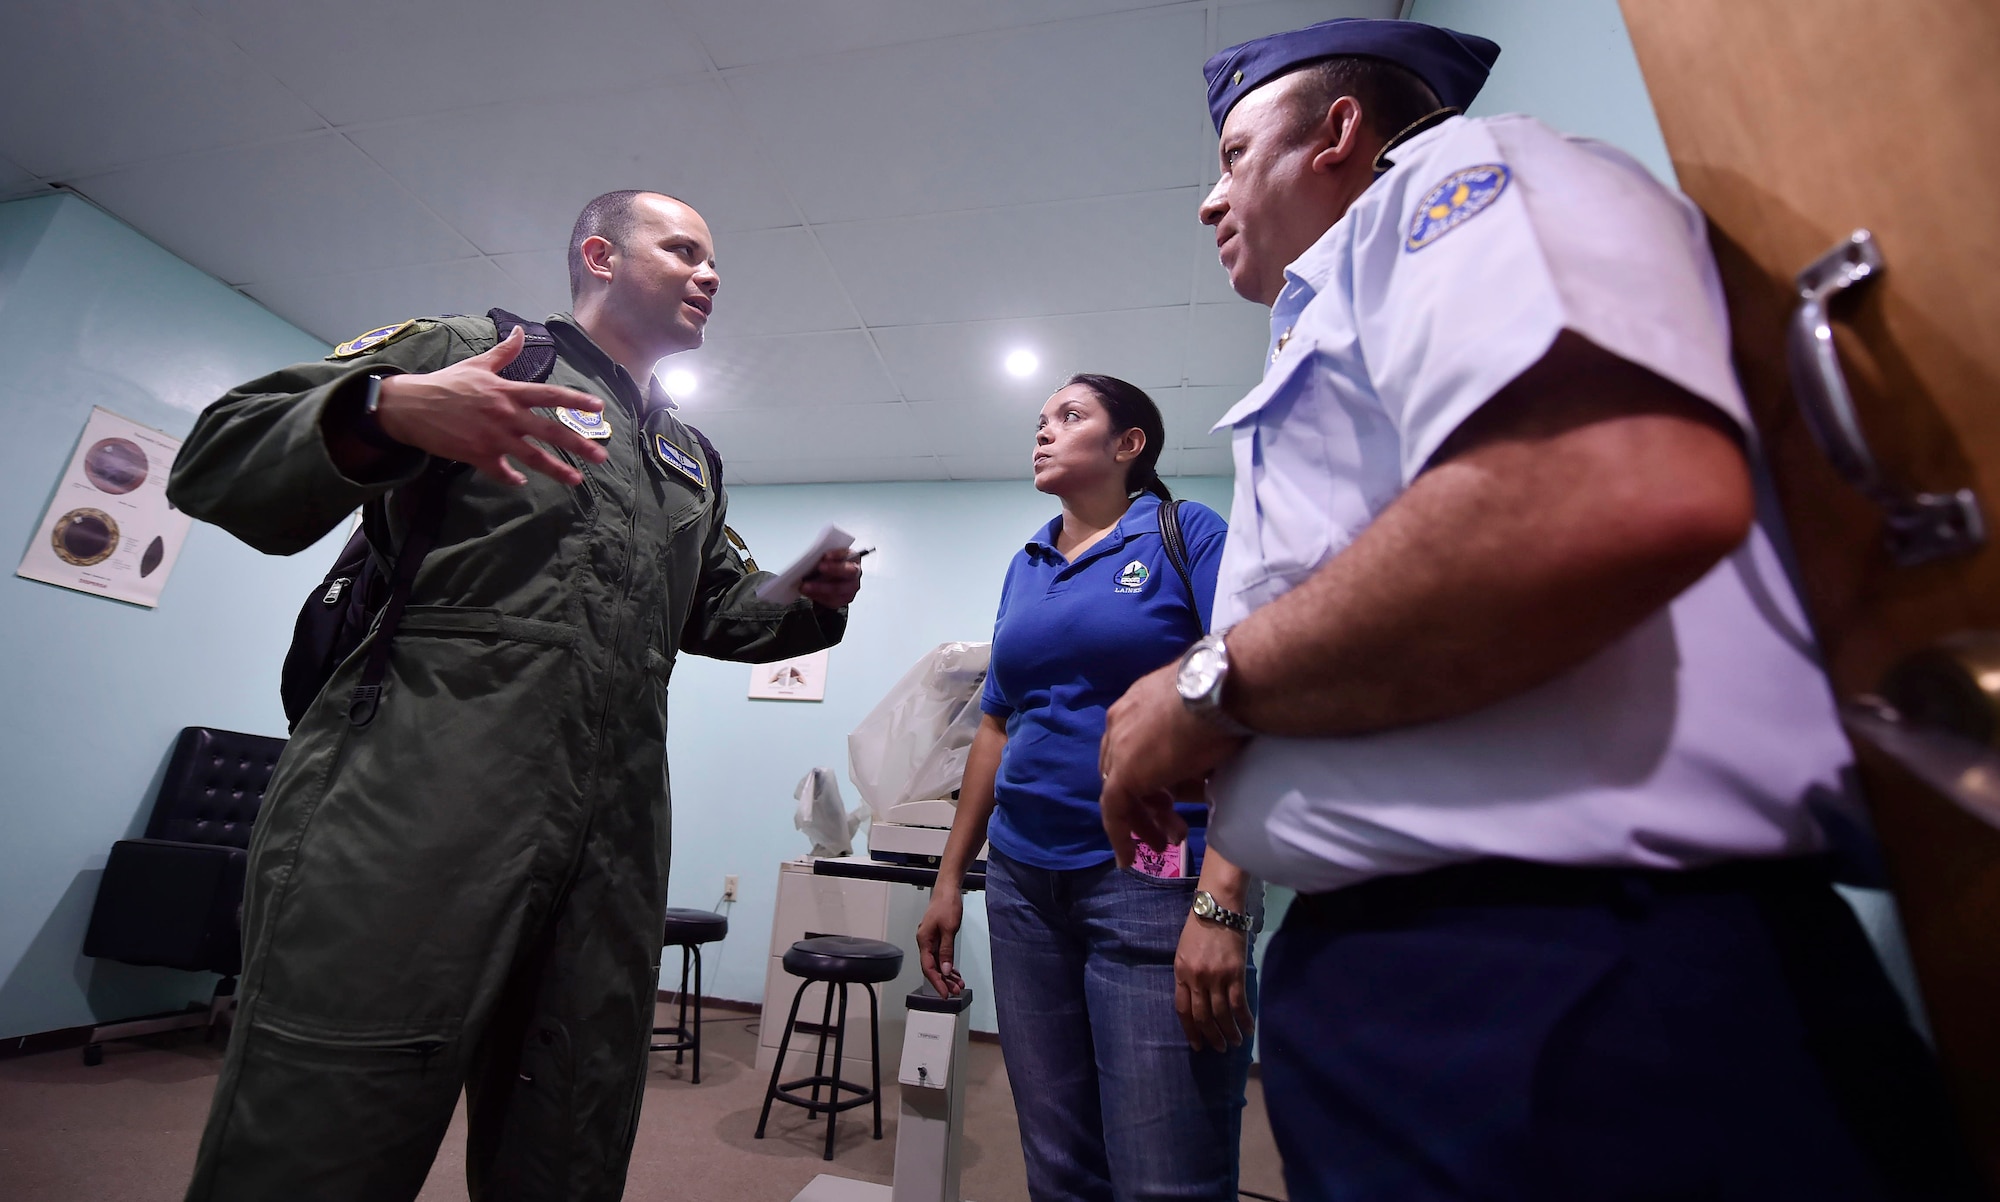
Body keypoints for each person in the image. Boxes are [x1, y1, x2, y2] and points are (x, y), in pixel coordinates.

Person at [1095, 18, 1981, 1202]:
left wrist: (1202, 690)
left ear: (1340, 133)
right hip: (1429, 965)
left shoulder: (1463, 179)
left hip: (1565, 973)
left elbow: (1600, 490)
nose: (1209, 200)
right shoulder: (1334, 306)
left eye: (1234, 152)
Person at [166, 189, 864, 1202]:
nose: (710, 274)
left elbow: (716, 607)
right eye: (682, 249)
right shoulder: (482, 346)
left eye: (715, 259)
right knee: (326, 1119)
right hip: (412, 799)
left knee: (569, 1127)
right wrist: (391, 407)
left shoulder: (688, 456)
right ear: (600, 254)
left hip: (611, 832)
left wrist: (802, 598)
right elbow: (220, 453)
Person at [914, 374, 1255, 1202]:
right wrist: (951, 877)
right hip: (1026, 885)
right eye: (1040, 419)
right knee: (1060, 1165)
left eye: (1070, 416)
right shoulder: (1026, 563)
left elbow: (1246, 702)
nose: (1043, 431)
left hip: (1150, 876)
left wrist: (1223, 903)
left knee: (1164, 1170)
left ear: (1129, 444)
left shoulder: (1186, 534)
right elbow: (996, 723)